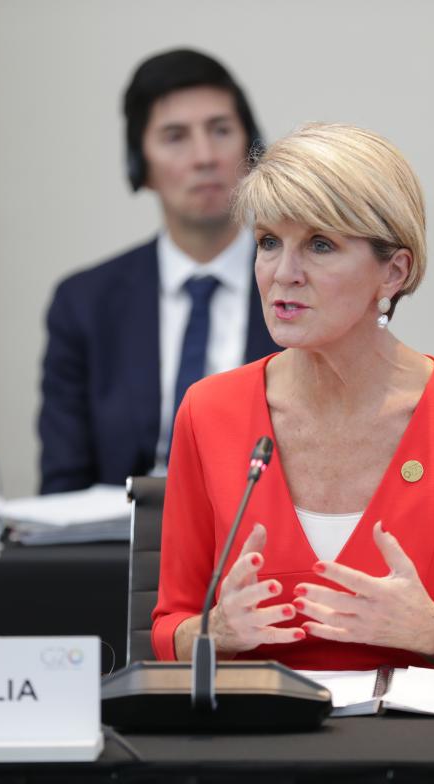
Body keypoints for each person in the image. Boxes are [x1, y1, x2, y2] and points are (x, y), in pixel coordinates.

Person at [151, 124, 434, 674]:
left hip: (412, 748)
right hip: (258, 746)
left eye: (320, 245)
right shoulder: (208, 411)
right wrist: (215, 631)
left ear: (394, 271)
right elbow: (168, 628)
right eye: (269, 242)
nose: (283, 274)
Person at [38, 49, 279, 493]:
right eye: (175, 136)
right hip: (122, 551)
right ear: (140, 165)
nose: (205, 156)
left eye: (221, 130)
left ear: (251, 150)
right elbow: (63, 486)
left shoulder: (299, 286)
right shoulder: (85, 304)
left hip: (268, 544)